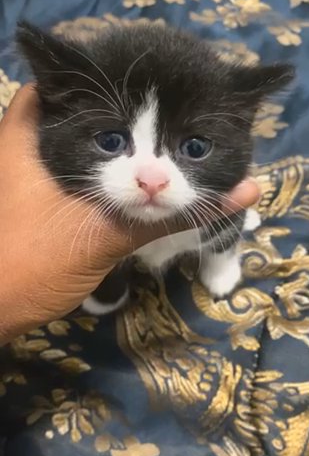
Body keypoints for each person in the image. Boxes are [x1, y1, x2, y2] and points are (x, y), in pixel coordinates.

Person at [0, 85, 260, 345]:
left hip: (202, 219)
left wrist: (221, 266)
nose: (152, 181)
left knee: (224, 232)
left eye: (194, 148)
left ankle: (220, 262)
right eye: (111, 142)